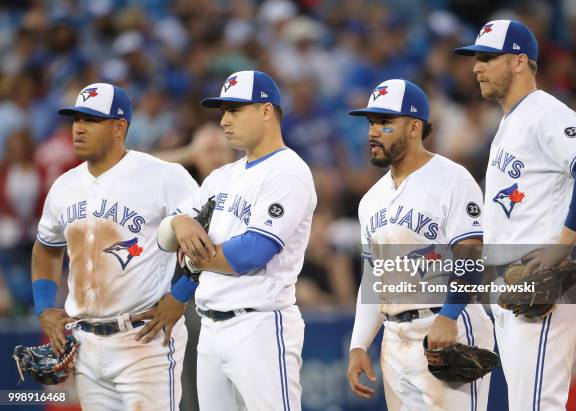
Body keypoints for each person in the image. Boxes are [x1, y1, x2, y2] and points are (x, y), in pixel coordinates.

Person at [454, 20, 576, 410]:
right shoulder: (511, 121)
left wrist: (561, 247)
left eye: (489, 57)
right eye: (476, 58)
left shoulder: (544, 112)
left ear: (520, 61)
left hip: (546, 282)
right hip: (514, 287)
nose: (477, 67)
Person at [153, 70, 317, 411]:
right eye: (223, 111)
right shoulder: (221, 177)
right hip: (212, 326)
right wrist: (180, 222)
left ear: (266, 111)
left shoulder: (288, 171)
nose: (224, 121)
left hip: (259, 324)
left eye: (234, 110)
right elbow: (165, 238)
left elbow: (252, 252)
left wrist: (193, 255)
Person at [32, 82, 198, 410]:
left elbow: (207, 238)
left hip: (144, 339)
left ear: (119, 126)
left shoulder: (163, 176)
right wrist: (43, 306)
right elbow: (47, 247)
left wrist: (179, 296)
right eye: (76, 119)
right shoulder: (64, 186)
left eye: (91, 120)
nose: (78, 127)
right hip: (86, 343)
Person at [346, 79, 494, 410]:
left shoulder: (452, 179)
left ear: (414, 127)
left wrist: (451, 314)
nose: (372, 131)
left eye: (385, 122)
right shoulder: (370, 200)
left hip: (446, 324)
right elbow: (373, 279)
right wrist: (359, 344)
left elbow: (470, 252)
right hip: (394, 337)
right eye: (371, 122)